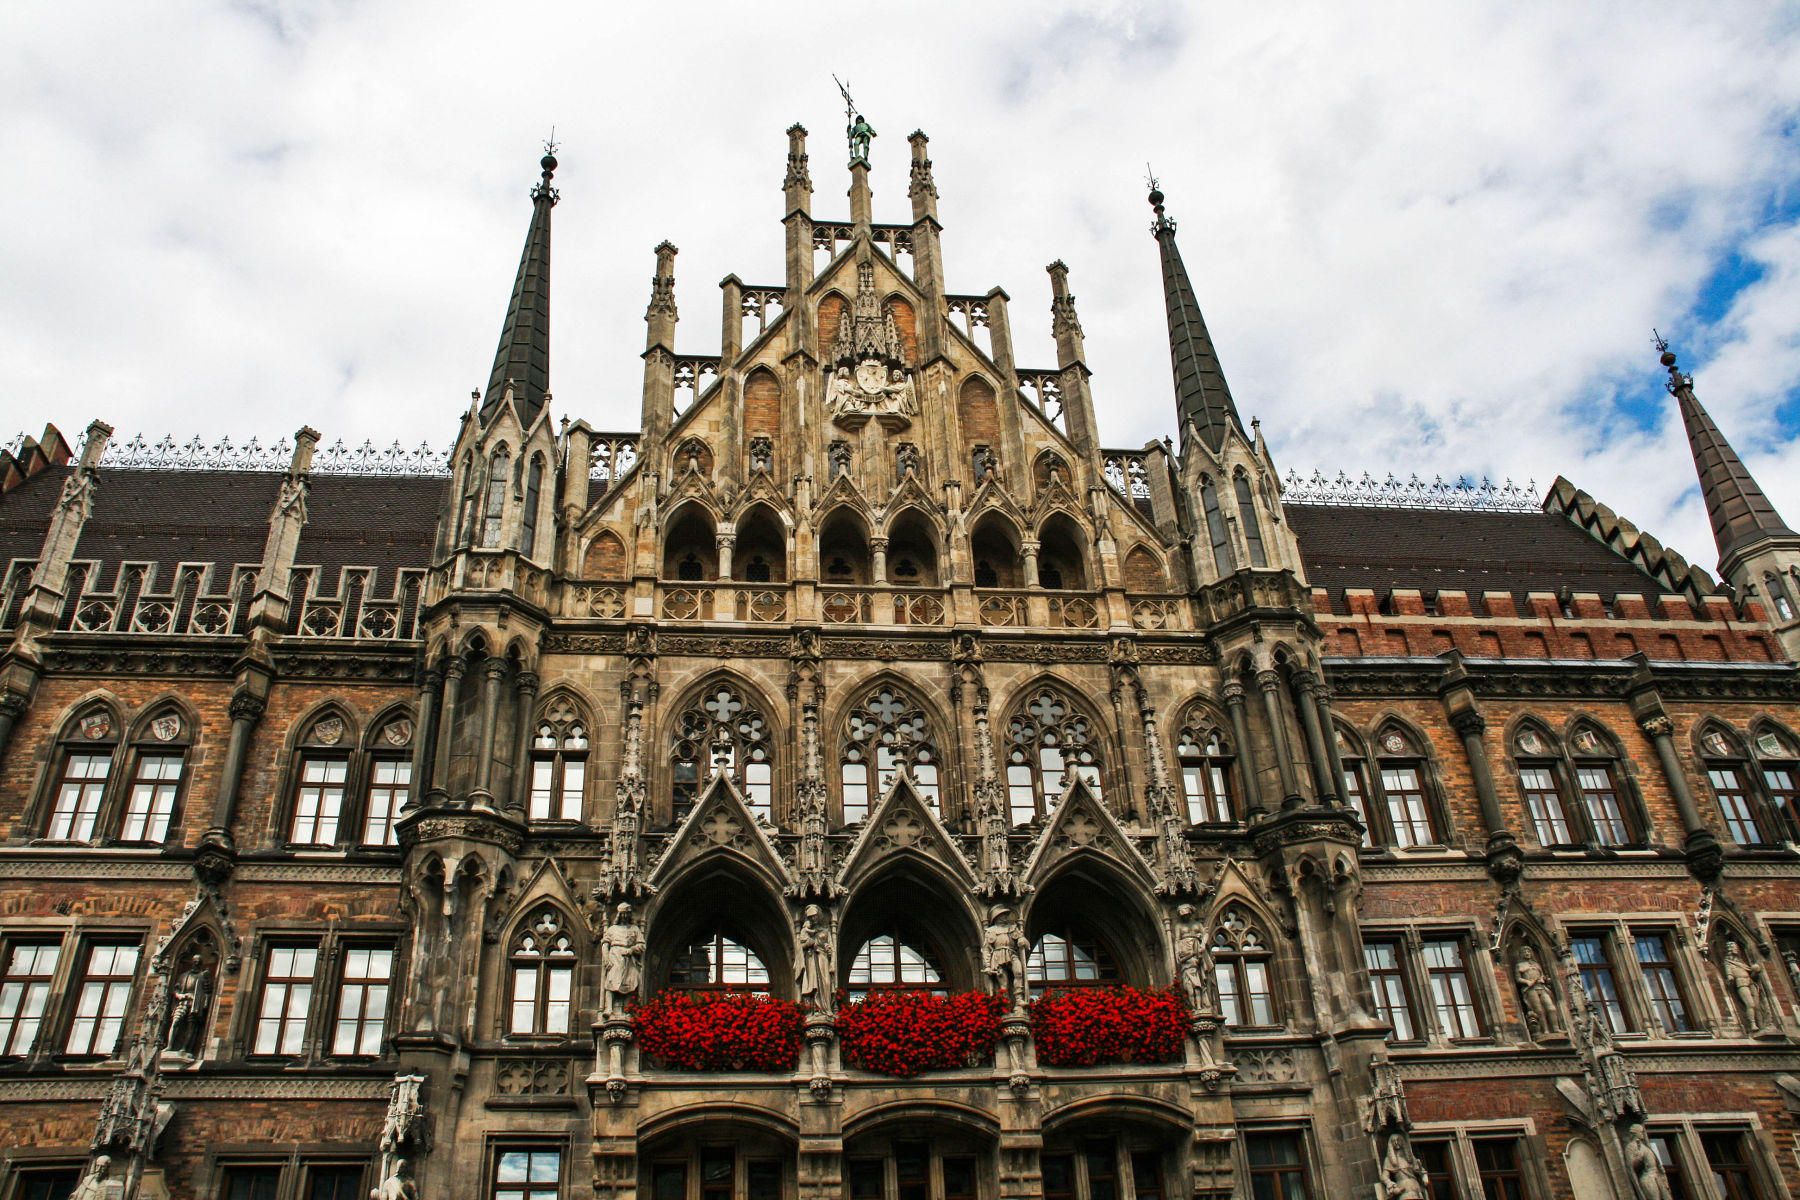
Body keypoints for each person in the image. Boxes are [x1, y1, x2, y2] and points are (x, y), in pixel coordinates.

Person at [602, 904, 645, 1015]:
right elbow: (605, 944)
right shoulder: (612, 929)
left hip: (629, 957)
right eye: (623, 914)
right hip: (615, 956)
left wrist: (632, 950)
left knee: (630, 981)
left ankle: (626, 1009)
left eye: (627, 914)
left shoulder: (635, 929)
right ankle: (608, 1008)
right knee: (611, 980)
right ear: (619, 915)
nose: (625, 916)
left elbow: (641, 945)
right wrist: (606, 959)